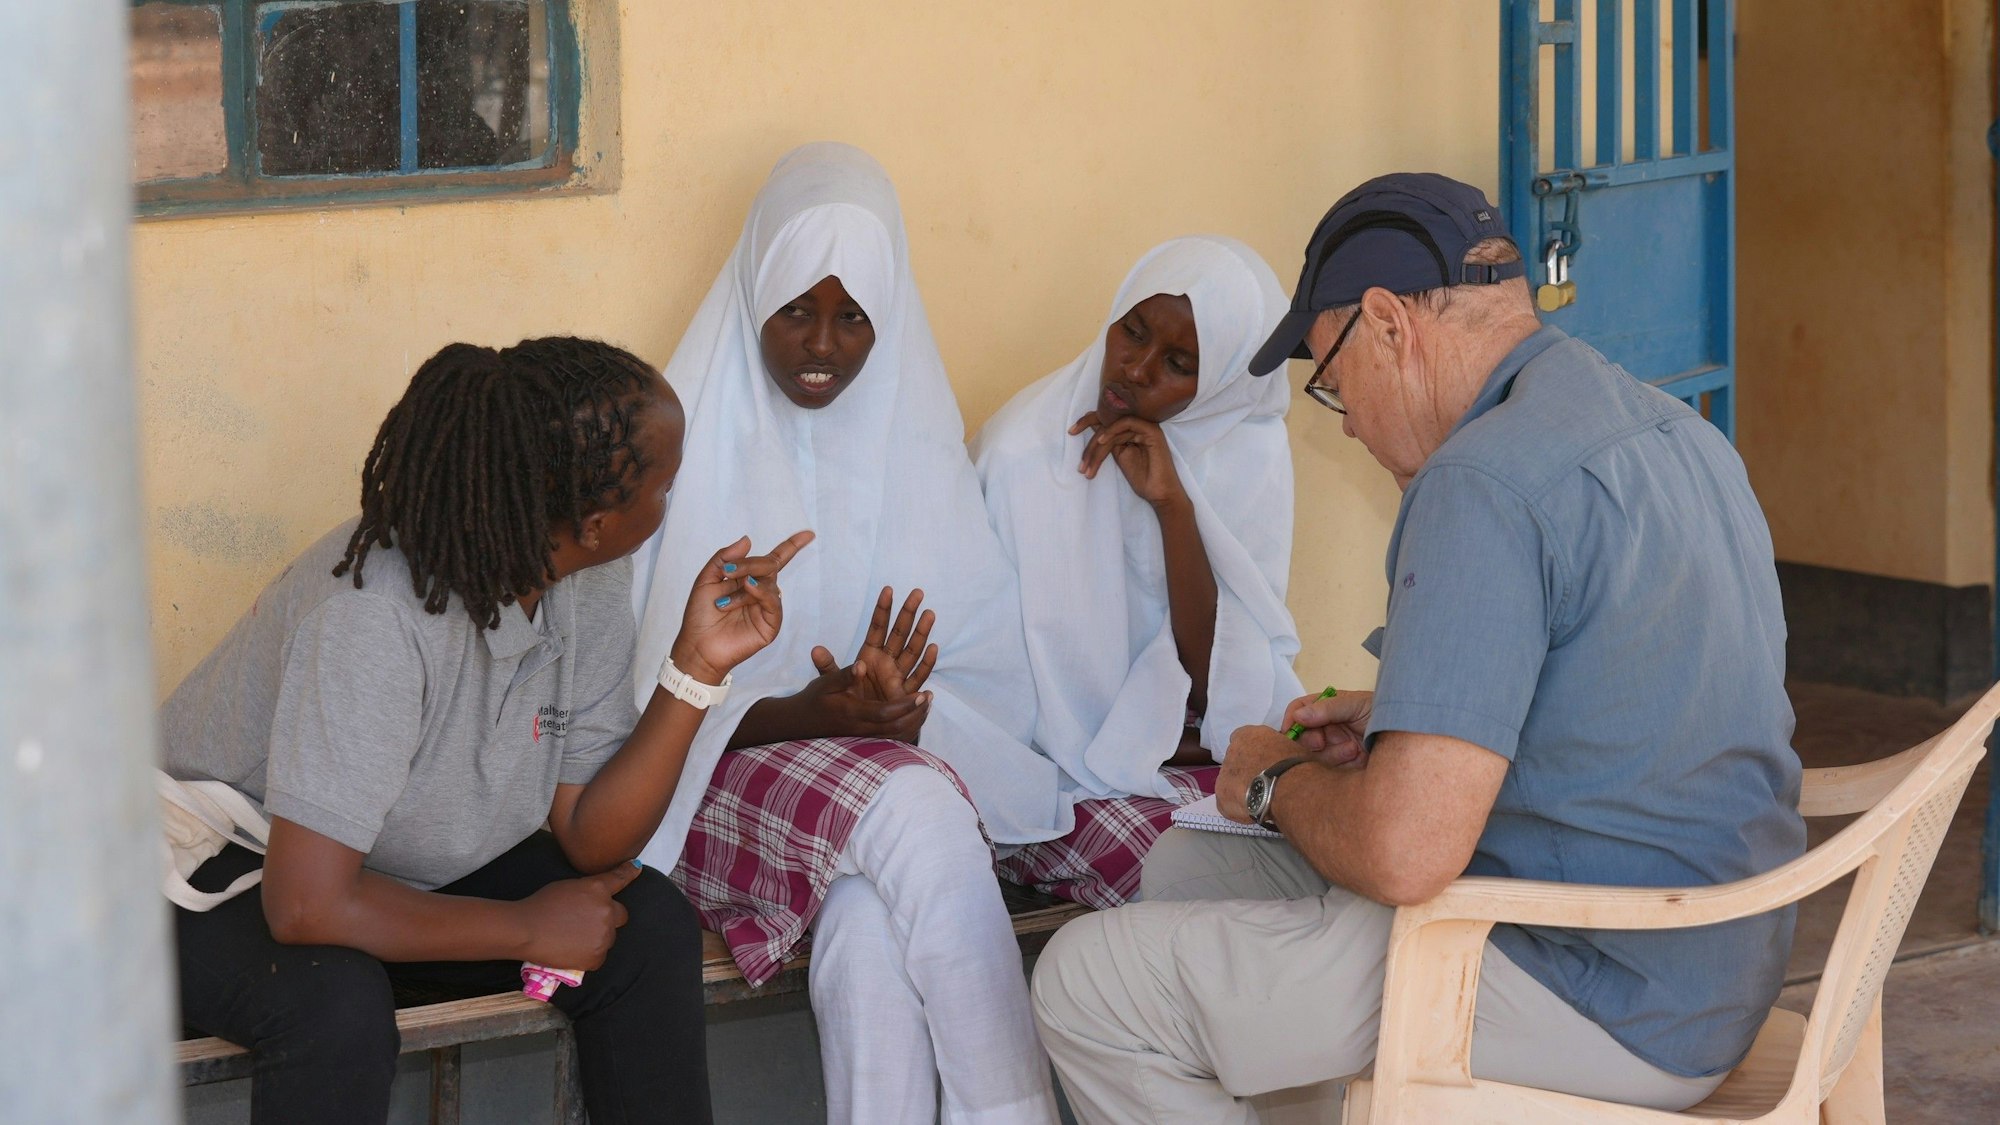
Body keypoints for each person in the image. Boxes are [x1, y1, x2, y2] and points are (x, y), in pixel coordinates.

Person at [1030, 173, 1806, 1122]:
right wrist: (1398, 720)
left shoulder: (1478, 481)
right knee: (1186, 872)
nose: (1344, 417)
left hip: (1592, 984)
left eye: (1329, 376)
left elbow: (1405, 856)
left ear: (1390, 325)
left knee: (1084, 985)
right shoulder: (1672, 427)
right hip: (1710, 952)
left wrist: (1275, 779)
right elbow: (1629, 687)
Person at [163, 337, 812, 1124]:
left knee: (645, 926)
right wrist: (527, 924)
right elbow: (304, 904)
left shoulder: (589, 573)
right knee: (332, 1004)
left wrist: (696, 667)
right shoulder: (375, 617)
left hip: (386, 868)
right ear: (597, 519)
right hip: (209, 865)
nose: (672, 501)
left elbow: (589, 834)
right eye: (664, 486)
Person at [629, 142, 1061, 1124]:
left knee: (868, 933)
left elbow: (992, 680)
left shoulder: (919, 443)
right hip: (705, 801)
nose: (821, 346)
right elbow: (629, 721)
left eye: (854, 317)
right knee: (913, 812)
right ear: (752, 301)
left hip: (862, 816)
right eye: (795, 311)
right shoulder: (673, 442)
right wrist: (804, 713)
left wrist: (897, 717)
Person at [975, 235, 1304, 907]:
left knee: (1312, 871)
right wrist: (1139, 734)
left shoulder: (1248, 451)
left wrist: (1173, 509)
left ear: (1222, 387)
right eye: (1132, 331)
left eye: (1179, 363)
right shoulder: (1025, 454)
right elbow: (1002, 685)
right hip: (1066, 782)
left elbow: (1224, 692)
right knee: (1213, 897)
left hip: (1190, 767)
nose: (1135, 368)